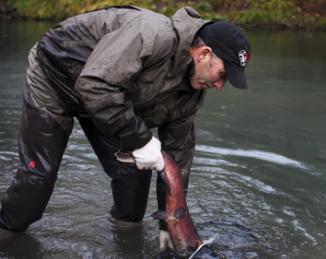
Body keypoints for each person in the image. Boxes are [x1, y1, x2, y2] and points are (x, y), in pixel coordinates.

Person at [0, 5, 251, 251]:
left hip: (108, 102)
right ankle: (6, 233)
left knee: (133, 177)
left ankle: (125, 240)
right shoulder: (152, 35)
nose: (220, 86)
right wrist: (142, 141)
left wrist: (170, 227)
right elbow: (94, 85)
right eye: (222, 75)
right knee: (39, 177)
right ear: (204, 54)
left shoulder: (191, 95)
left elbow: (178, 161)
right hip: (55, 78)